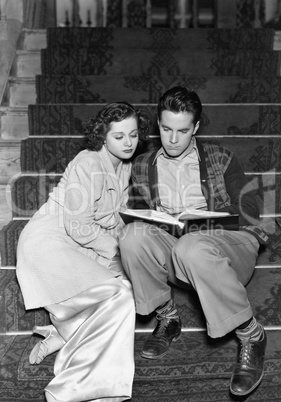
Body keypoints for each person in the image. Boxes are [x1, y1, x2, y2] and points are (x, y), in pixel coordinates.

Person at [119, 86, 269, 397]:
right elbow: (139, 212)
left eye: (183, 131)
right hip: (181, 252)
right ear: (158, 124)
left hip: (228, 246)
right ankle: (168, 319)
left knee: (193, 245)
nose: (173, 139)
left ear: (196, 128)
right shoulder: (144, 165)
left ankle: (251, 334)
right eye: (166, 129)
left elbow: (251, 210)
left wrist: (203, 218)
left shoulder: (219, 157)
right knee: (133, 237)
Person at [16, 101, 149, 402]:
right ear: (103, 136)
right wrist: (119, 251)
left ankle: (65, 336)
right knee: (118, 294)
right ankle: (71, 390)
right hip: (48, 241)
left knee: (123, 287)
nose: (129, 142)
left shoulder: (124, 166)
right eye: (119, 136)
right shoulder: (87, 162)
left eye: (134, 134)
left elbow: (113, 219)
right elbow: (77, 225)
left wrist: (133, 240)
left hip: (77, 243)